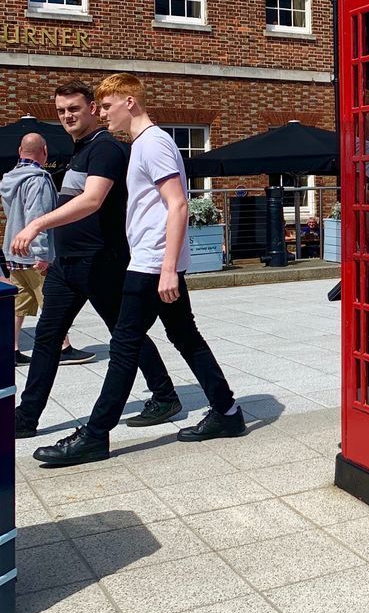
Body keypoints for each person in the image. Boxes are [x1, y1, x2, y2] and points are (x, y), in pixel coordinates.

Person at [29, 73, 244, 467]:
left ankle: (94, 436)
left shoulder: (153, 144)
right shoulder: (144, 144)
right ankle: (228, 412)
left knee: (125, 347)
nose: (103, 114)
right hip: (150, 260)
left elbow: (178, 204)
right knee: (184, 337)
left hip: (150, 263)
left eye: (107, 106)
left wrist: (166, 269)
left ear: (129, 103)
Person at [10, 83, 181, 440]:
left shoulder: (106, 148)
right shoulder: (79, 151)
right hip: (67, 265)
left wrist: (38, 224)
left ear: (92, 108)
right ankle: (27, 417)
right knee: (46, 338)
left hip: (101, 261)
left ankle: (164, 395)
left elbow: (92, 200)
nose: (67, 116)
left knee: (124, 334)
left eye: (74, 108)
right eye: (60, 111)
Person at [1, 134, 58, 367]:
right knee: (53, 303)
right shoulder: (39, 179)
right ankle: (61, 348)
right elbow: (39, 217)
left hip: (13, 250)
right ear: (44, 150)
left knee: (18, 304)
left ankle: (12, 350)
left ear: (19, 150)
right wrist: (43, 253)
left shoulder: (8, 179)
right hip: (34, 253)